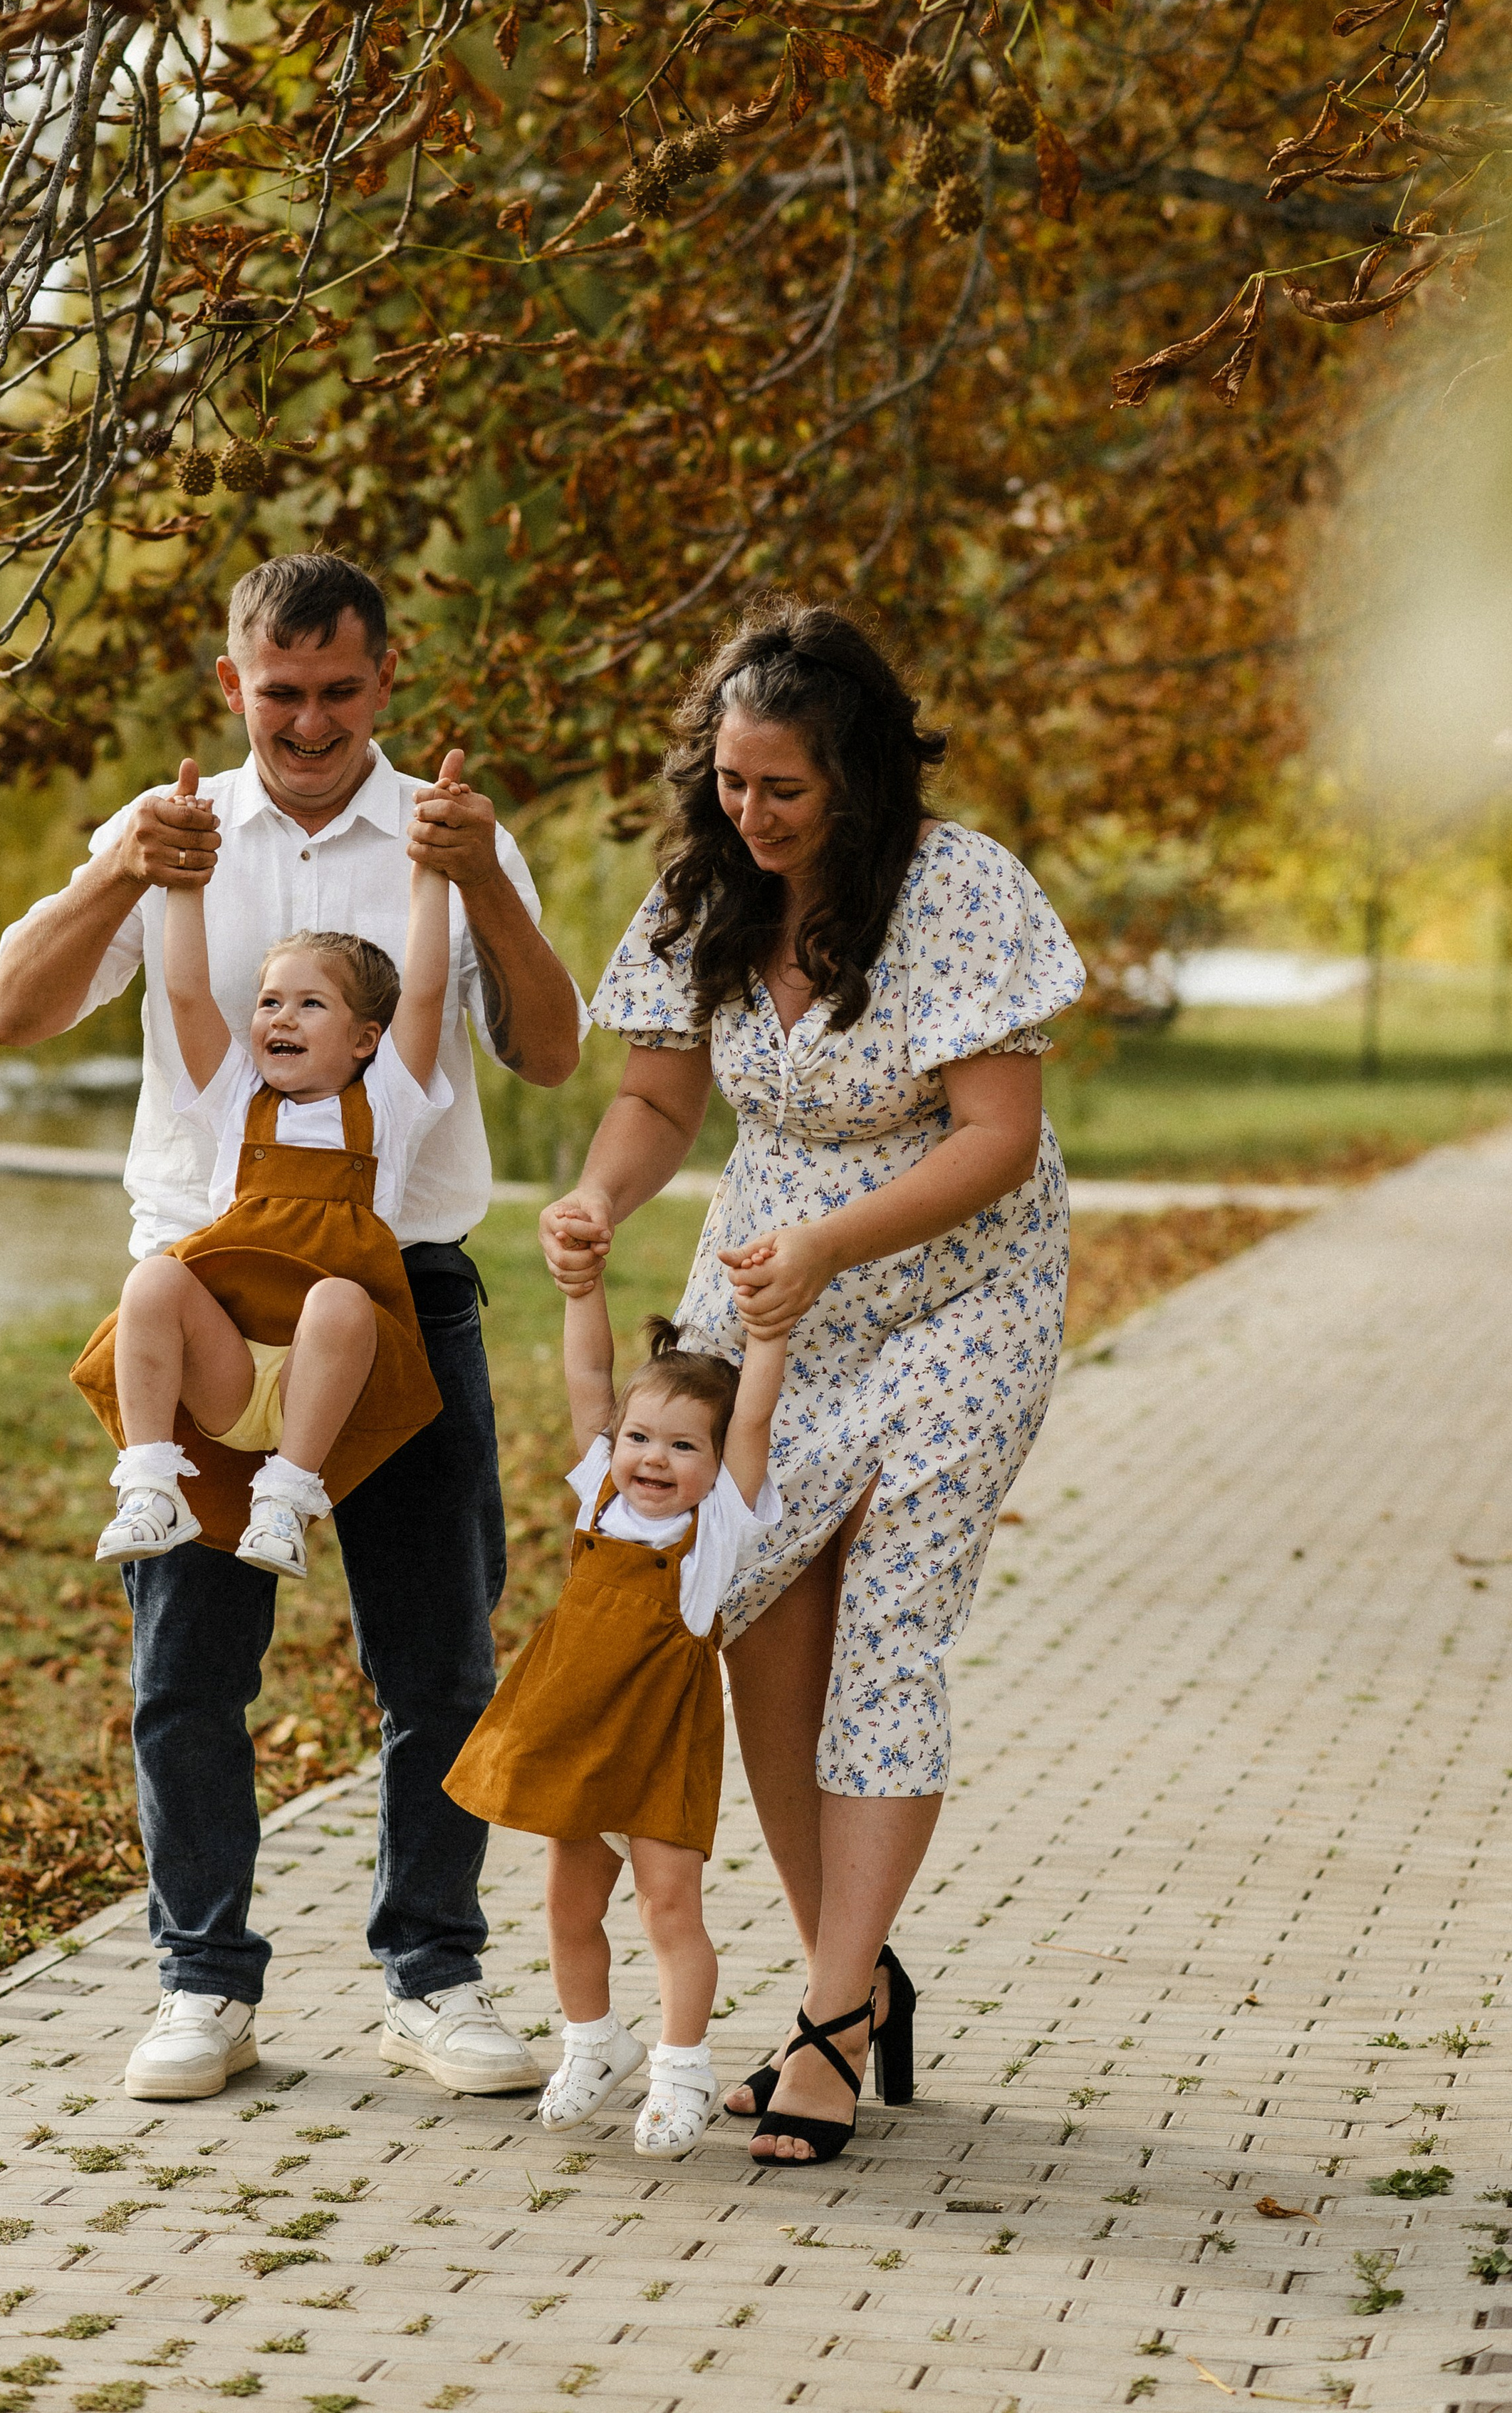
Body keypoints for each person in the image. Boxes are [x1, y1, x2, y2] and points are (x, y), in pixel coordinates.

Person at [0, 550, 585, 2106]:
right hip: (199, 1292)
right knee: (189, 1668)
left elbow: (546, 1050)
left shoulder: (448, 834)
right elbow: (15, 1011)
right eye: (279, 693)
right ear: (231, 685)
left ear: (384, 680)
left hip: (402, 1294)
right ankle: (203, 1982)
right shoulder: (170, 831)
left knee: (439, 1663)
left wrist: (481, 878)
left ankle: (432, 1977)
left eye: (336, 691)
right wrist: (122, 873)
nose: (308, 722)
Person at [541, 602, 1085, 2166]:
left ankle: (833, 2018)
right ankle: (848, 1969)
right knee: (752, 1609)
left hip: (959, 1287)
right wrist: (599, 1196)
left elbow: (996, 1139)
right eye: (731, 782)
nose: (753, 814)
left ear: (854, 773)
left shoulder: (958, 889)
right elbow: (658, 1098)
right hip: (768, 1281)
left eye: (783, 788)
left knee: (888, 1634)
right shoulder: (701, 894)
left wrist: (833, 1246)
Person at [71, 774, 458, 1584]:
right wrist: (184, 879)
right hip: (231, 1372)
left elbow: (425, 991)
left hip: (328, 1378)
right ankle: (151, 1485)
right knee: (153, 1279)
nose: (280, 1017)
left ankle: (285, 1499)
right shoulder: (237, 1101)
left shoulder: (388, 1106)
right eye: (270, 1001)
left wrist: (431, 871)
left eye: (310, 1004)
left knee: (339, 1298)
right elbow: (184, 991)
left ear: (365, 1039)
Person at [444, 1275, 786, 2157]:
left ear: (718, 1464)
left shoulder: (717, 1528)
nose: (653, 1459)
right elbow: (588, 1375)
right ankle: (593, 2042)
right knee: (567, 1906)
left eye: (683, 1445)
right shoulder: (600, 1492)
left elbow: (753, 1417)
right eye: (639, 1437)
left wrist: (770, 1335)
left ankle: (682, 2070)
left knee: (668, 1909)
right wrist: (579, 1287)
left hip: (661, 1746)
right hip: (579, 1740)